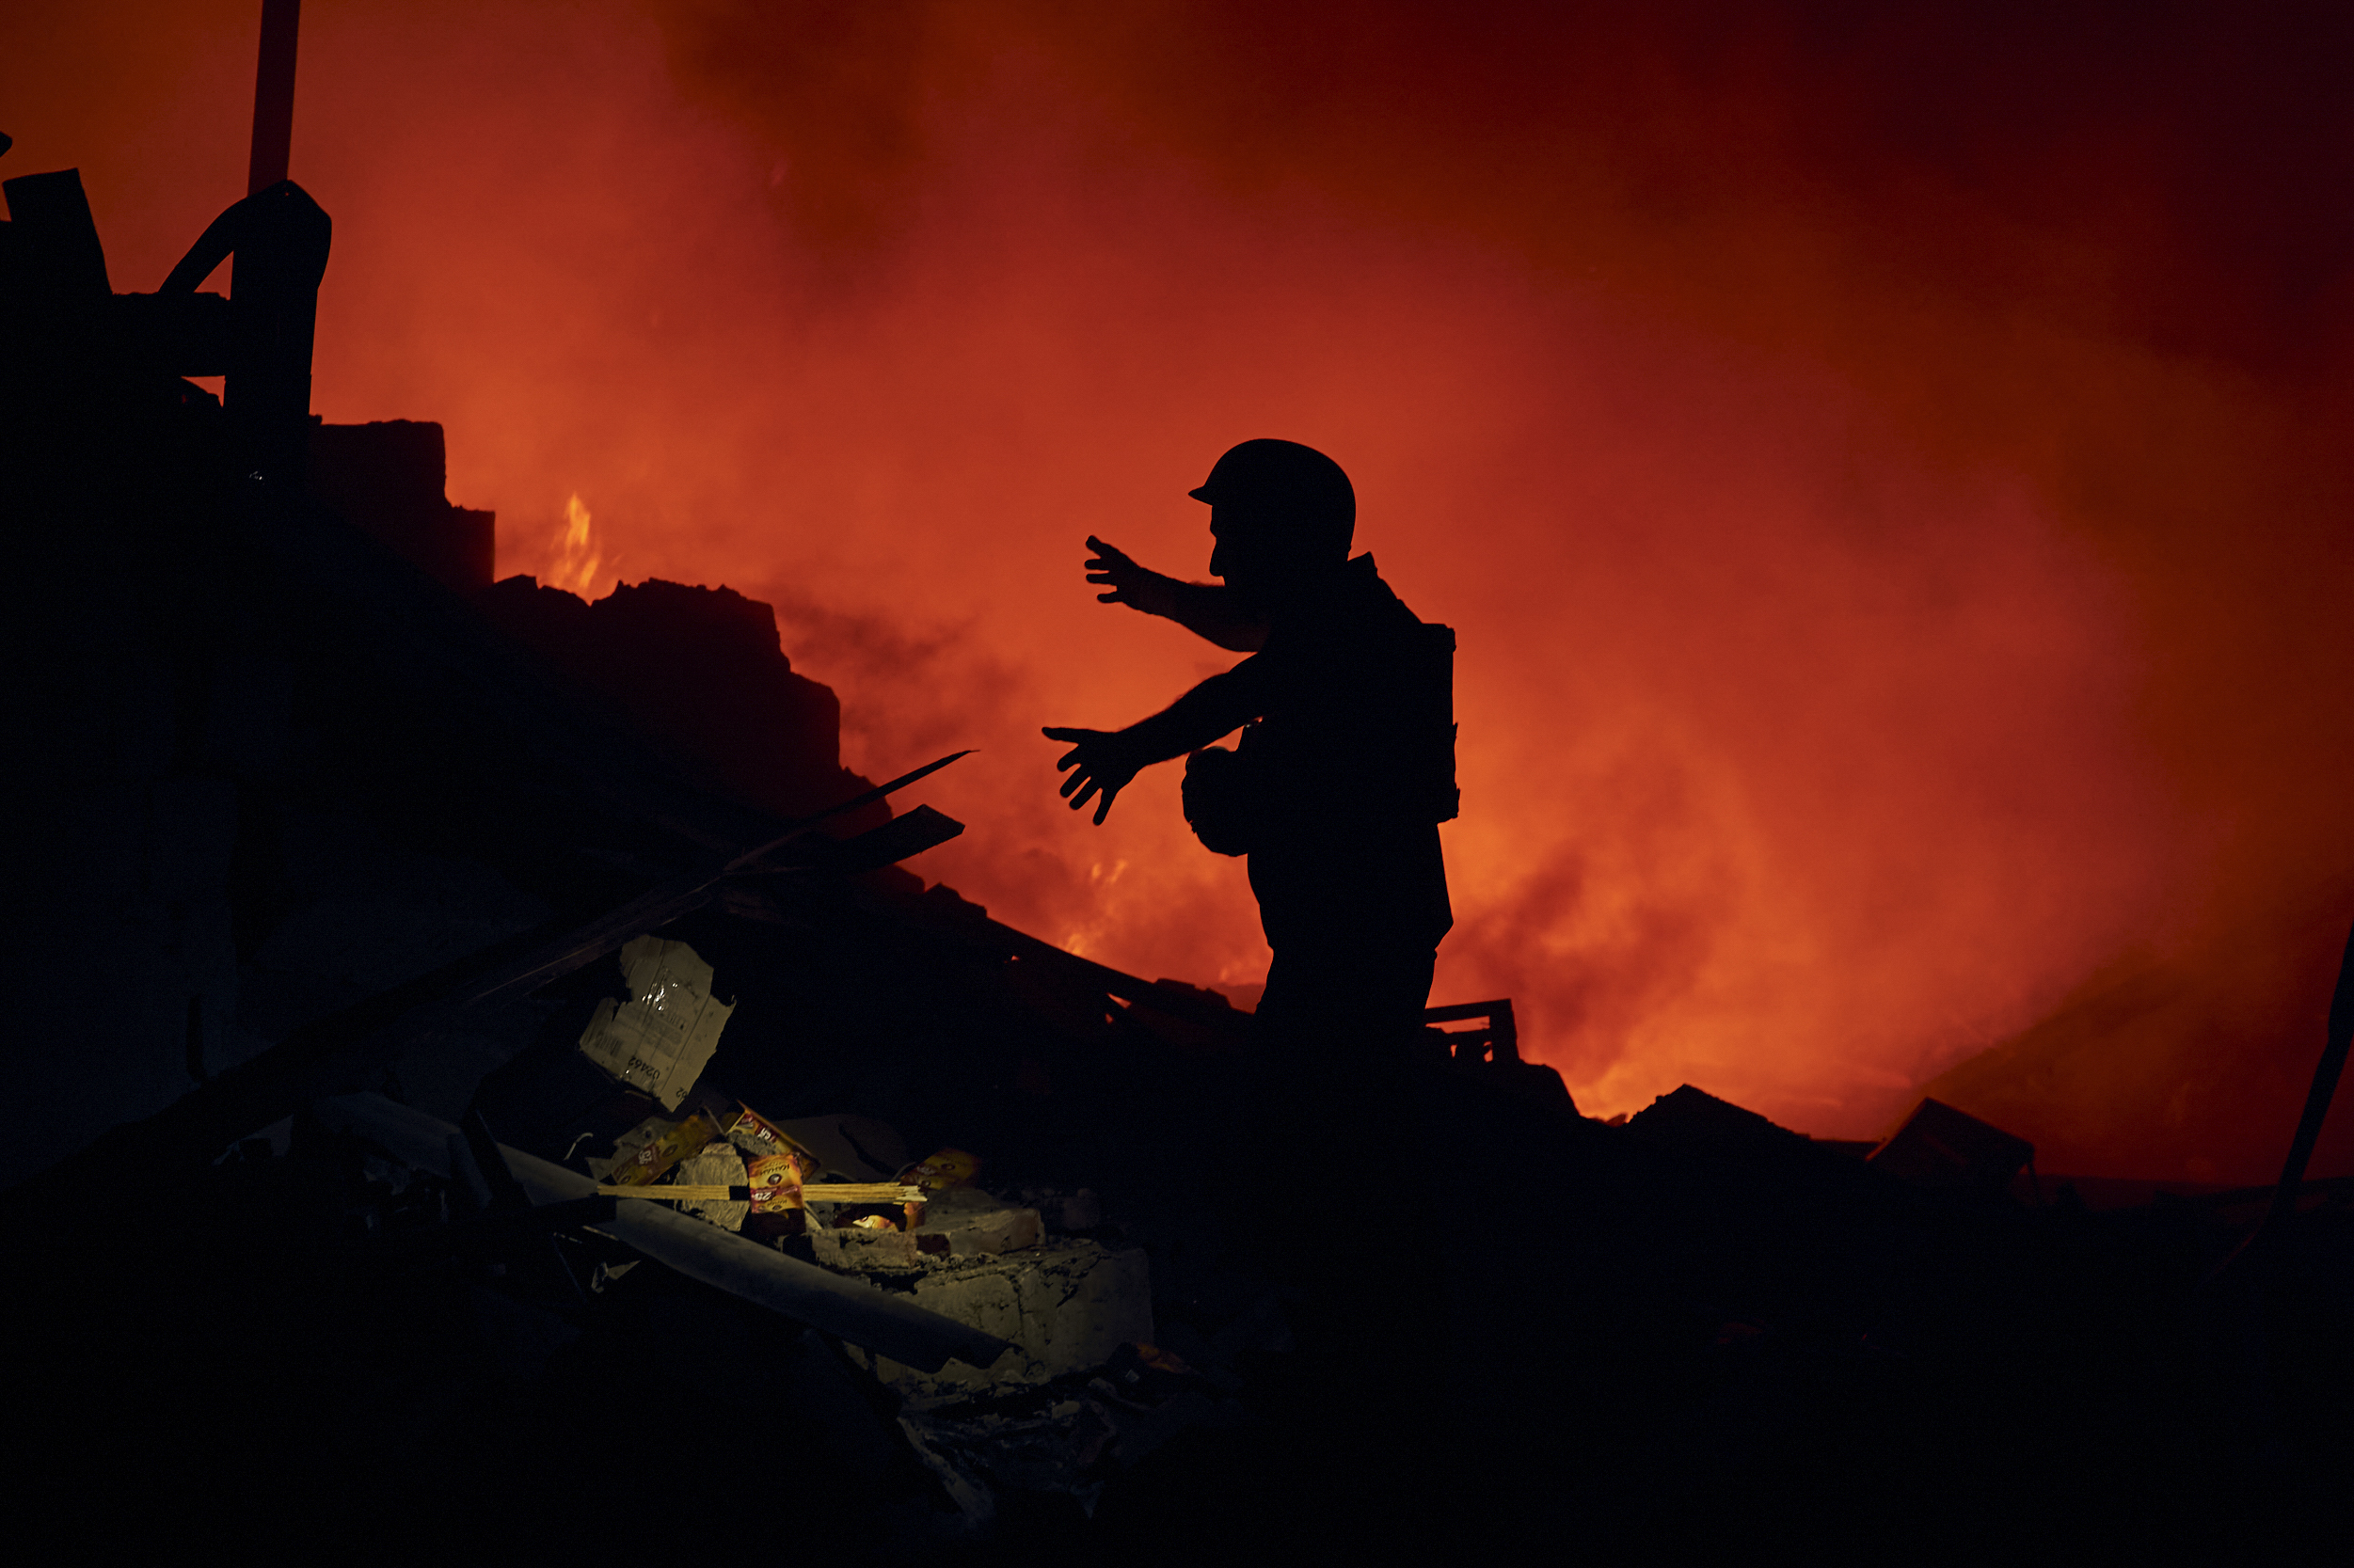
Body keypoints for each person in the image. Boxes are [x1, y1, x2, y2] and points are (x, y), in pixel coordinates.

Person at [1042, 438, 1458, 1067]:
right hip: (1349, 939)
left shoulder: (1351, 630)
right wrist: (1150, 591)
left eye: (1229, 536)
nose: (1215, 560)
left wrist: (1131, 749)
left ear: (1283, 537)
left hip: (1351, 951)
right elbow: (1244, 628)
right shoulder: (1344, 611)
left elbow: (1244, 689)